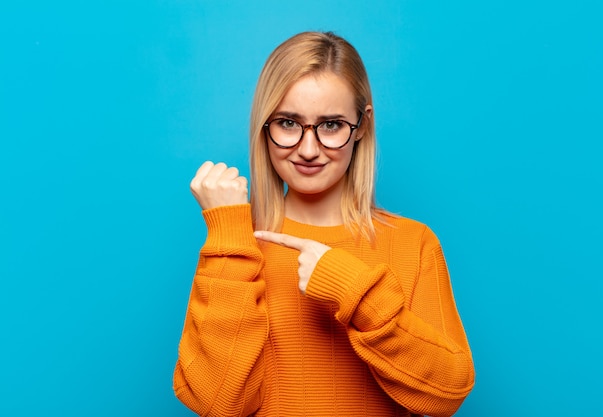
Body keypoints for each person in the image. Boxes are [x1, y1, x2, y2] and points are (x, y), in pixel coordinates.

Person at [173, 31, 474, 417]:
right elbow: (217, 403)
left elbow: (447, 394)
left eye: (331, 125)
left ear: (362, 125)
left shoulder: (413, 243)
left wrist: (354, 290)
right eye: (287, 123)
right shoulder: (236, 244)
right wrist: (229, 236)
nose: (309, 149)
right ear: (263, 126)